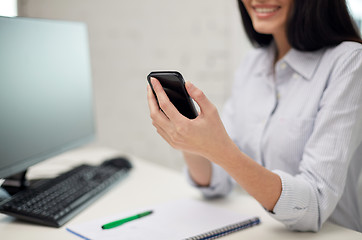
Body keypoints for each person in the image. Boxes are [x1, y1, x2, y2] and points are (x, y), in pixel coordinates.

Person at [147, 0, 362, 232]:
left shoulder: (350, 62)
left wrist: (220, 151)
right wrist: (189, 141)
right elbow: (217, 181)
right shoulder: (253, 63)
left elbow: (314, 206)